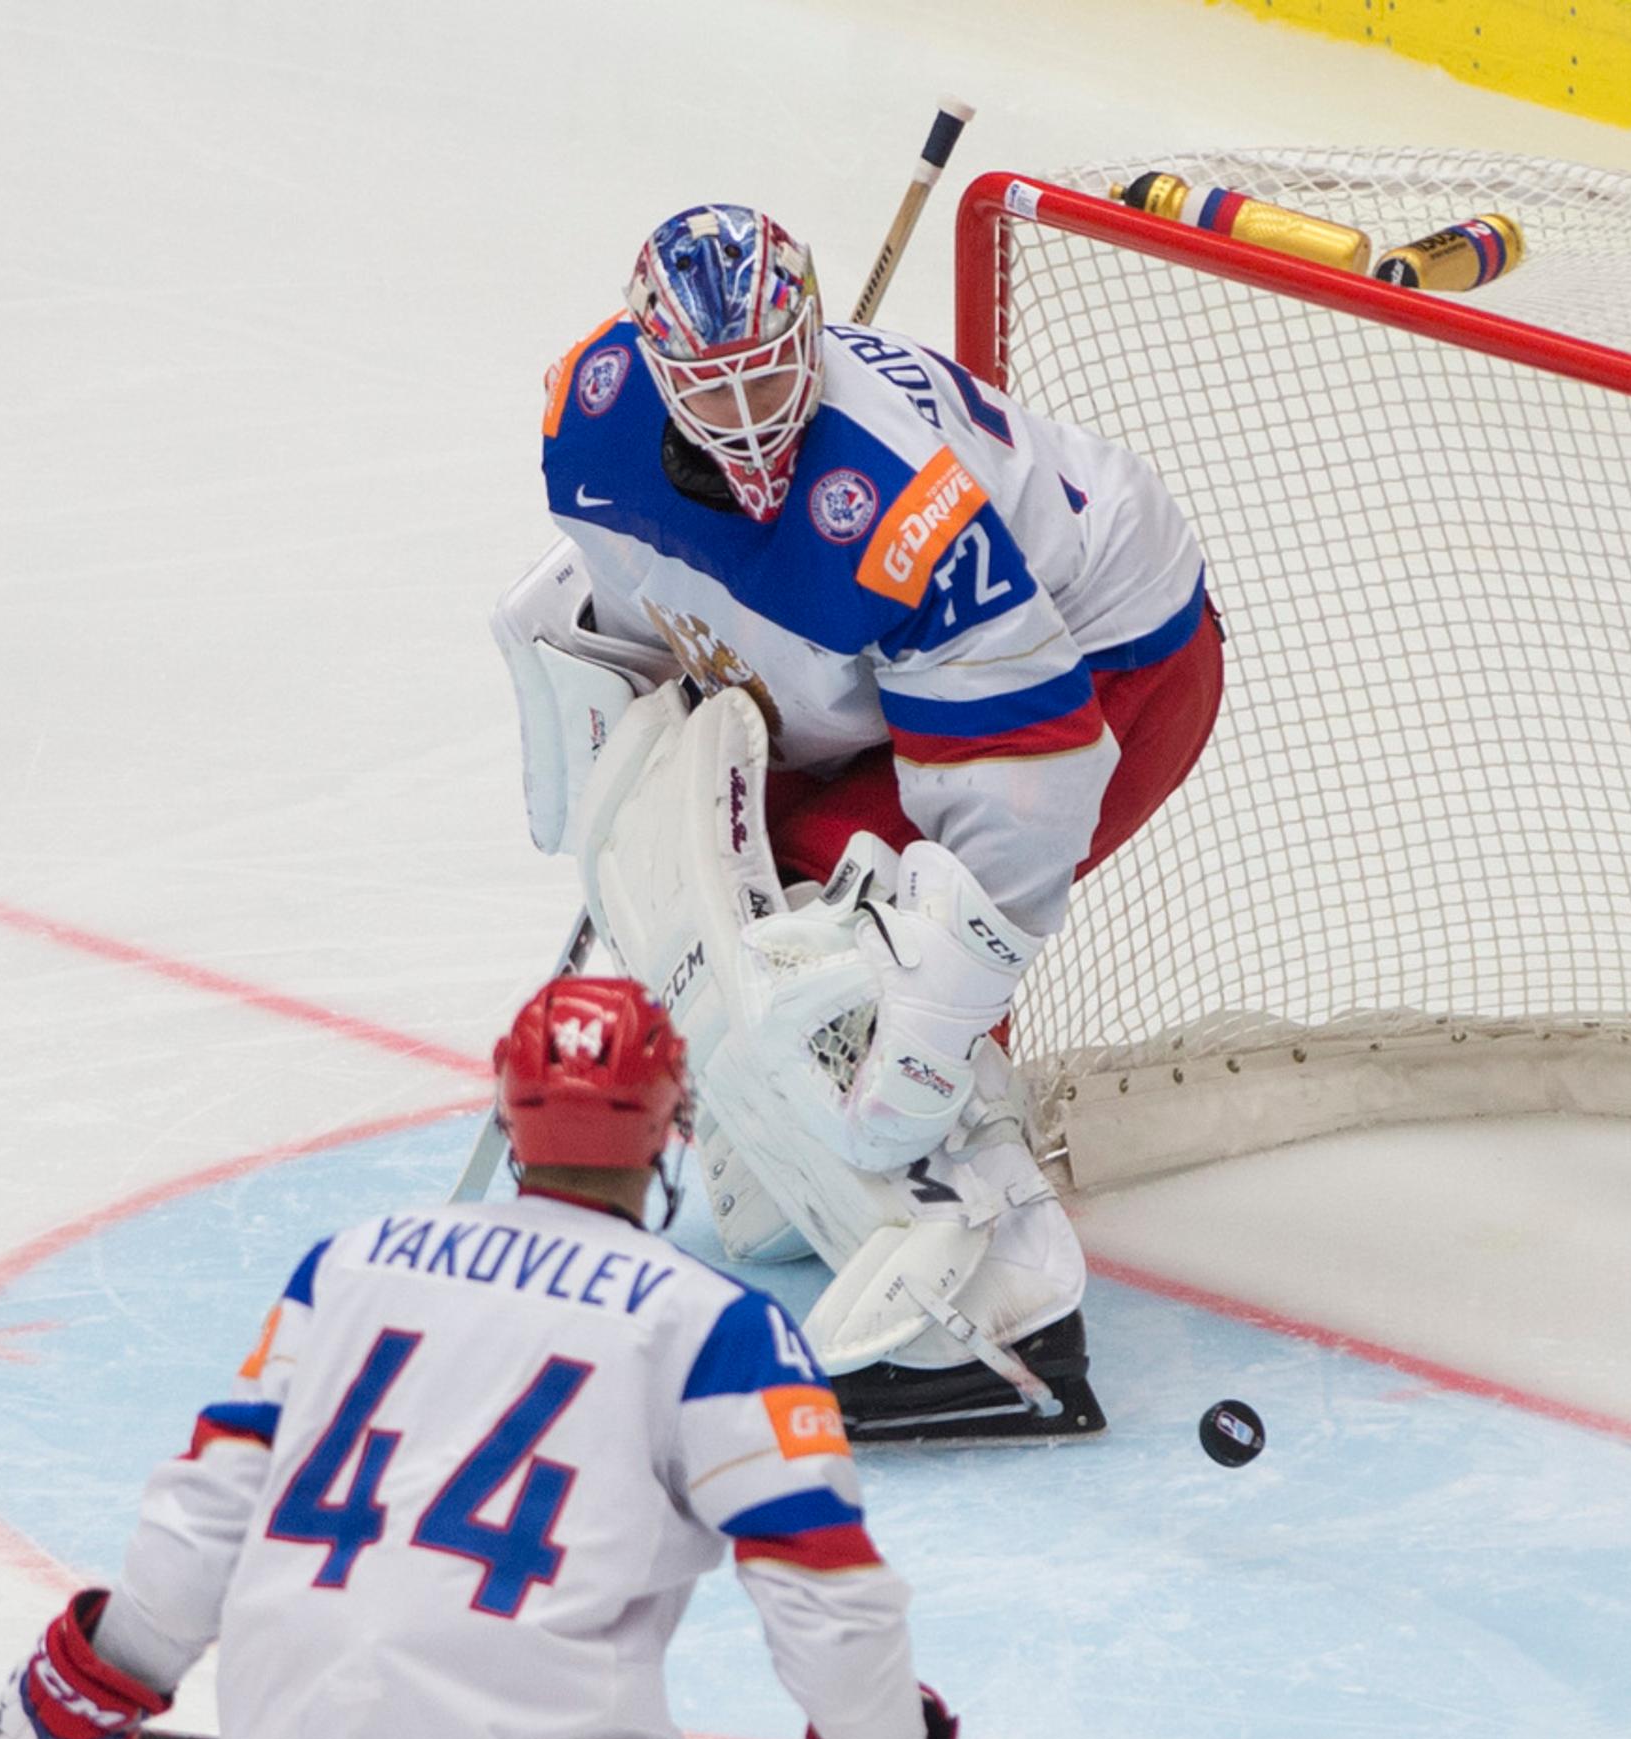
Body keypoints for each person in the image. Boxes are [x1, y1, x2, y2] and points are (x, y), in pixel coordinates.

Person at [492, 202, 1224, 1440]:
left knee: (854, 933)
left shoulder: (894, 509)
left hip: (1108, 663)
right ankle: (809, 1154)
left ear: (814, 331)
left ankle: (1002, 1305)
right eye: (711, 391)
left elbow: (1020, 803)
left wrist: (927, 1034)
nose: (750, 418)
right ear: (655, 370)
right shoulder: (590, 410)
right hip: (928, 667)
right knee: (719, 860)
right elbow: (635, 605)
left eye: (776, 372)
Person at [0, 977, 959, 1739]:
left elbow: (213, 1505)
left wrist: (102, 1675)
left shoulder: (347, 1267)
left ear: (509, 1113)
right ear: (670, 1127)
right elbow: (825, 1598)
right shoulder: (714, 1327)